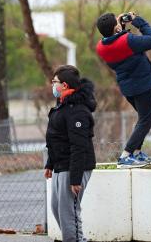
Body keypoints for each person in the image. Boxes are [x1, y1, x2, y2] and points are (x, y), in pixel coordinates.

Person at [95, 12, 151, 168]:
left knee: (143, 119)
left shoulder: (101, 47)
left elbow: (119, 44)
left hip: (128, 88)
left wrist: (120, 28)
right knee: (146, 120)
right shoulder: (128, 41)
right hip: (143, 85)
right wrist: (138, 21)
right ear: (115, 27)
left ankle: (137, 153)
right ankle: (126, 155)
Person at [43, 65, 96, 242]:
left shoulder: (77, 111)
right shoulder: (61, 106)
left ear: (64, 85)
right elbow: (56, 139)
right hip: (60, 166)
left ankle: (75, 239)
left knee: (68, 212)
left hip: (73, 167)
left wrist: (75, 178)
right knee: (57, 207)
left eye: (54, 82)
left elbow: (79, 146)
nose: (52, 85)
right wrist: (50, 164)